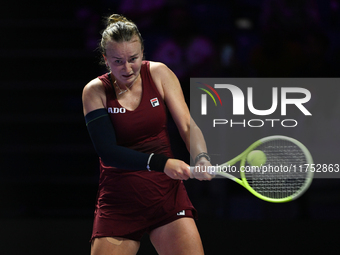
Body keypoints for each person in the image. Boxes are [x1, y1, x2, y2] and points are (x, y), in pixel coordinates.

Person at [82, 14, 212, 255]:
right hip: (120, 200)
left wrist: (201, 155)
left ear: (143, 51)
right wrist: (163, 163)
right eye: (118, 61)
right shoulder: (95, 91)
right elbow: (108, 152)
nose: (127, 68)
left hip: (165, 196)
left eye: (133, 58)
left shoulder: (159, 73)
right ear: (105, 59)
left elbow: (187, 125)